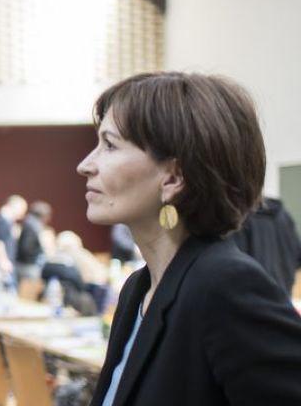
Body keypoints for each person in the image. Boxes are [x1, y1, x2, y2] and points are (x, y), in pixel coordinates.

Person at [76, 72, 301, 406]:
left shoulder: (225, 285)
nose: (85, 165)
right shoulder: (138, 289)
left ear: (174, 177)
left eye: (109, 145)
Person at [229, 196, 301, 296]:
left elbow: (234, 265)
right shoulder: (284, 217)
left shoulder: (240, 221)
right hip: (283, 299)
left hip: (251, 301)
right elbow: (297, 258)